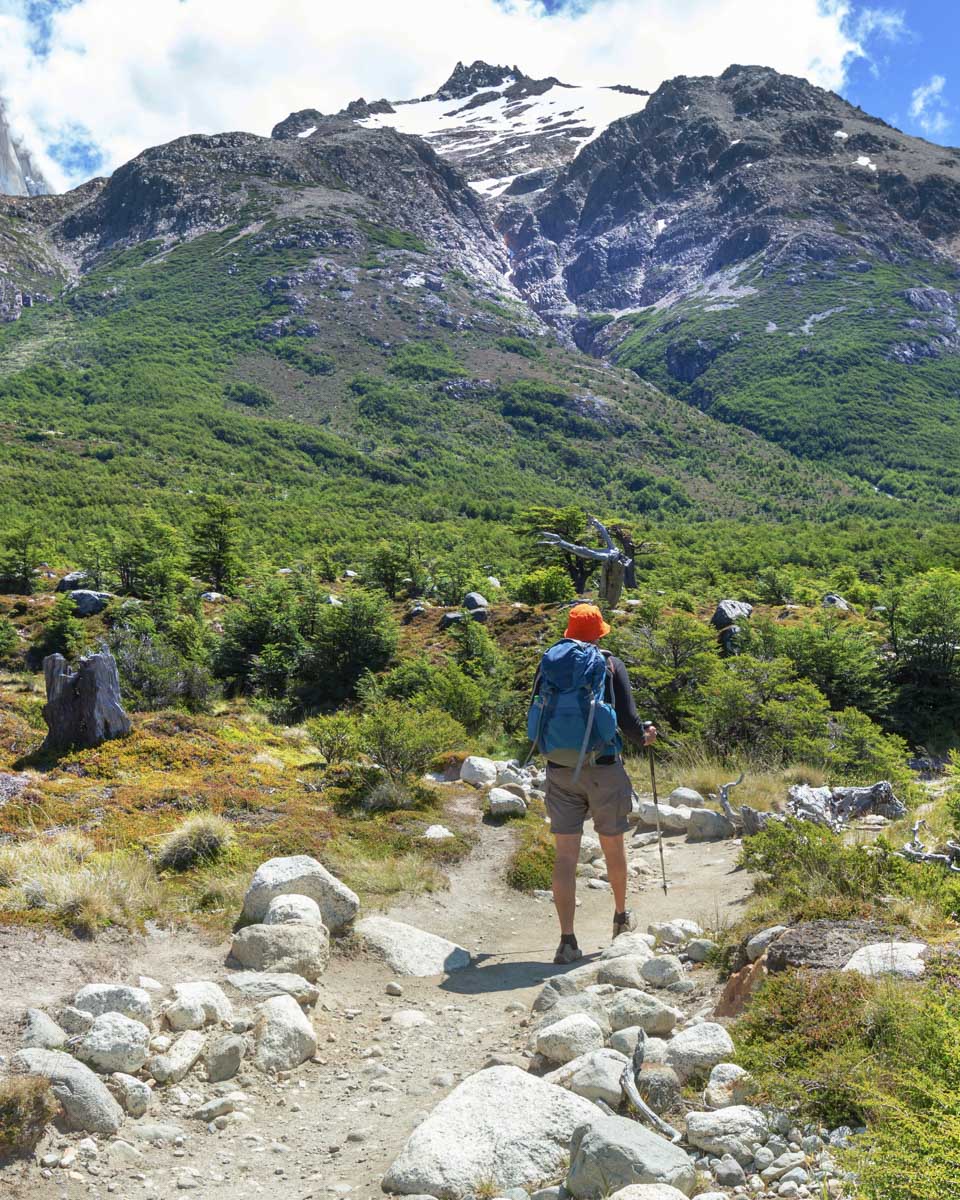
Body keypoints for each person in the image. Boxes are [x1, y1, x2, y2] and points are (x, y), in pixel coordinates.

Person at [532, 603, 657, 965]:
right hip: (604, 768)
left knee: (566, 855)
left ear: (569, 631)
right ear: (600, 632)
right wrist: (645, 738)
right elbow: (630, 722)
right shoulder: (609, 664)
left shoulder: (550, 663)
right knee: (613, 846)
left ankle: (567, 940)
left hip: (559, 768)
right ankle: (620, 919)